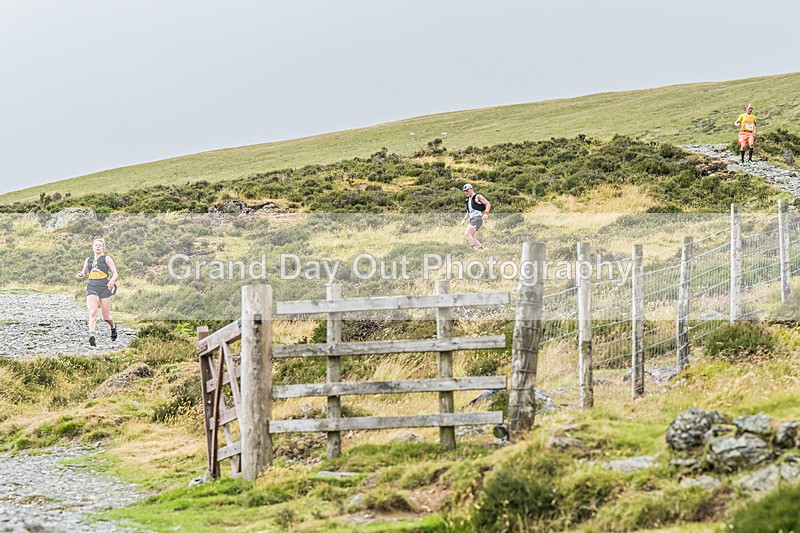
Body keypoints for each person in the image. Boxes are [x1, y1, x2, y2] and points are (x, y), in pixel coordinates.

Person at [75, 238, 119, 346]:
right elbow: (84, 273)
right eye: (96, 245)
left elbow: (115, 273)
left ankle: (113, 327)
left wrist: (112, 281)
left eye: (100, 245)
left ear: (103, 247)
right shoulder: (88, 260)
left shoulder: (106, 258)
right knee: (93, 313)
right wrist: (79, 275)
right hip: (92, 286)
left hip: (104, 286)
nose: (98, 247)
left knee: (106, 317)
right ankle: (92, 335)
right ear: (93, 247)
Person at [460, 184, 491, 249]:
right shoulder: (468, 200)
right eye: (464, 191)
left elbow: (488, 204)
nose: (466, 192)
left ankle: (474, 249)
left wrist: (486, 214)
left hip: (477, 218)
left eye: (467, 190)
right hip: (472, 218)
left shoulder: (478, 196)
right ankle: (481, 250)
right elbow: (469, 212)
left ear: (471, 189)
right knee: (473, 237)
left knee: (467, 233)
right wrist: (464, 219)